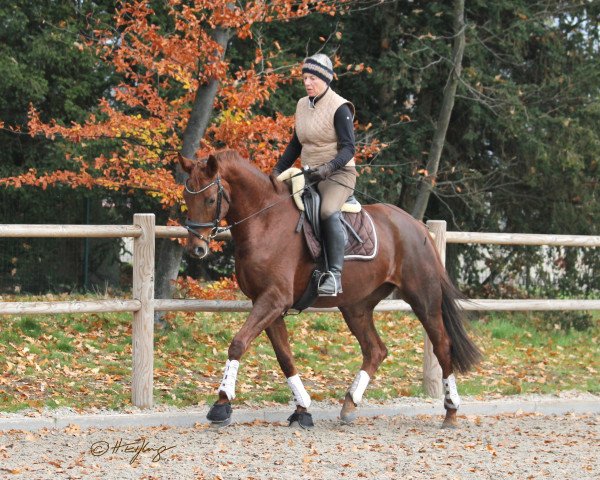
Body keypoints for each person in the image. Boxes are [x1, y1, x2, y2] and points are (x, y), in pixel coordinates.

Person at [272, 53, 357, 296]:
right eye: (305, 78)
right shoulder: (302, 105)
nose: (307, 83)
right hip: (309, 175)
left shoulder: (340, 107)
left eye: (313, 78)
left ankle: (335, 275)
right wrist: (276, 172)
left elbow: (349, 148)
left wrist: (328, 168)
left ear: (325, 79)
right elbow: (295, 145)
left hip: (338, 175)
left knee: (327, 210)